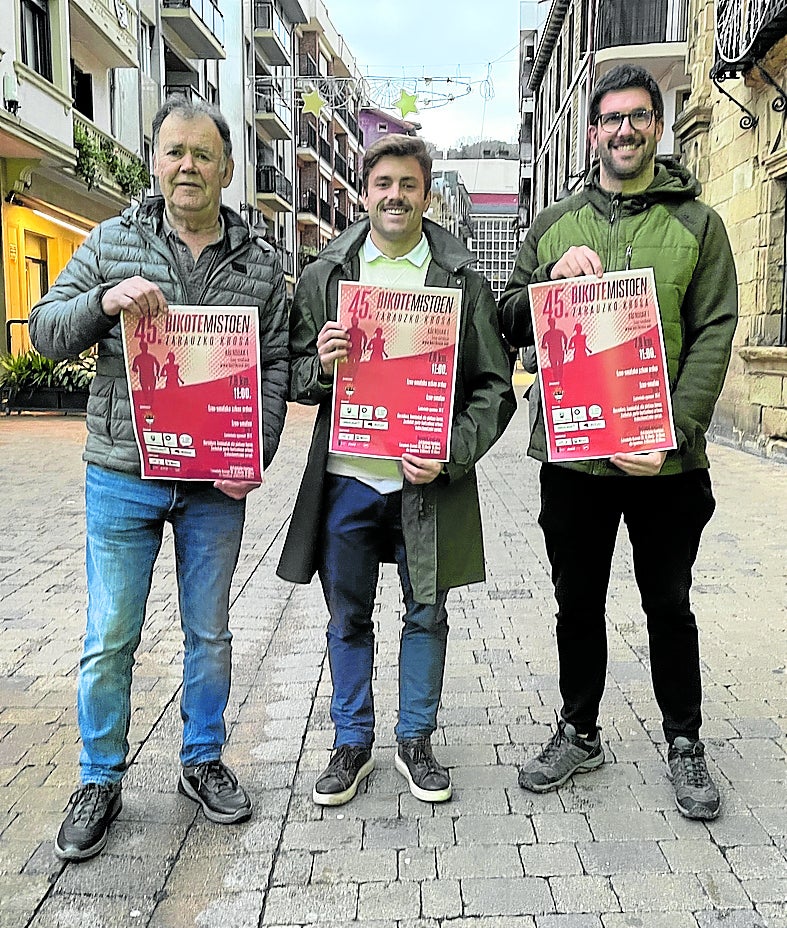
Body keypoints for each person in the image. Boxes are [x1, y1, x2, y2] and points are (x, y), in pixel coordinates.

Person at [29, 96, 289, 859]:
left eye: (202, 155)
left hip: (215, 483)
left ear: (227, 169)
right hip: (122, 475)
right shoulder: (110, 241)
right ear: (154, 159)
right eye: (174, 152)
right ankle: (98, 777)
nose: (187, 166)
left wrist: (254, 454)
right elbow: (45, 329)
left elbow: (274, 367)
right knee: (110, 636)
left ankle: (200, 761)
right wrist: (103, 302)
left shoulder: (262, 265)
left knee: (208, 633)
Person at [499, 65, 738, 821]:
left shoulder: (697, 223)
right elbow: (504, 317)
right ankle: (578, 729)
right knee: (578, 603)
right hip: (574, 460)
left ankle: (684, 741)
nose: (625, 130)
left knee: (668, 603)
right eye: (611, 119)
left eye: (639, 117)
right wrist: (546, 278)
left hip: (667, 463)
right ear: (593, 131)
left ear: (656, 128)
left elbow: (713, 333)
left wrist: (673, 433)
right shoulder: (552, 224)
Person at [277, 134, 516, 806]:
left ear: (426, 193)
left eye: (407, 185)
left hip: (423, 481)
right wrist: (319, 368)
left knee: (424, 611)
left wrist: (451, 451)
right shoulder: (329, 274)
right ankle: (351, 742)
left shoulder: (460, 278)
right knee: (346, 617)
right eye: (382, 184)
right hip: (349, 476)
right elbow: (291, 376)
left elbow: (495, 388)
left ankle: (415, 740)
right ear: (363, 192)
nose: (394, 196)